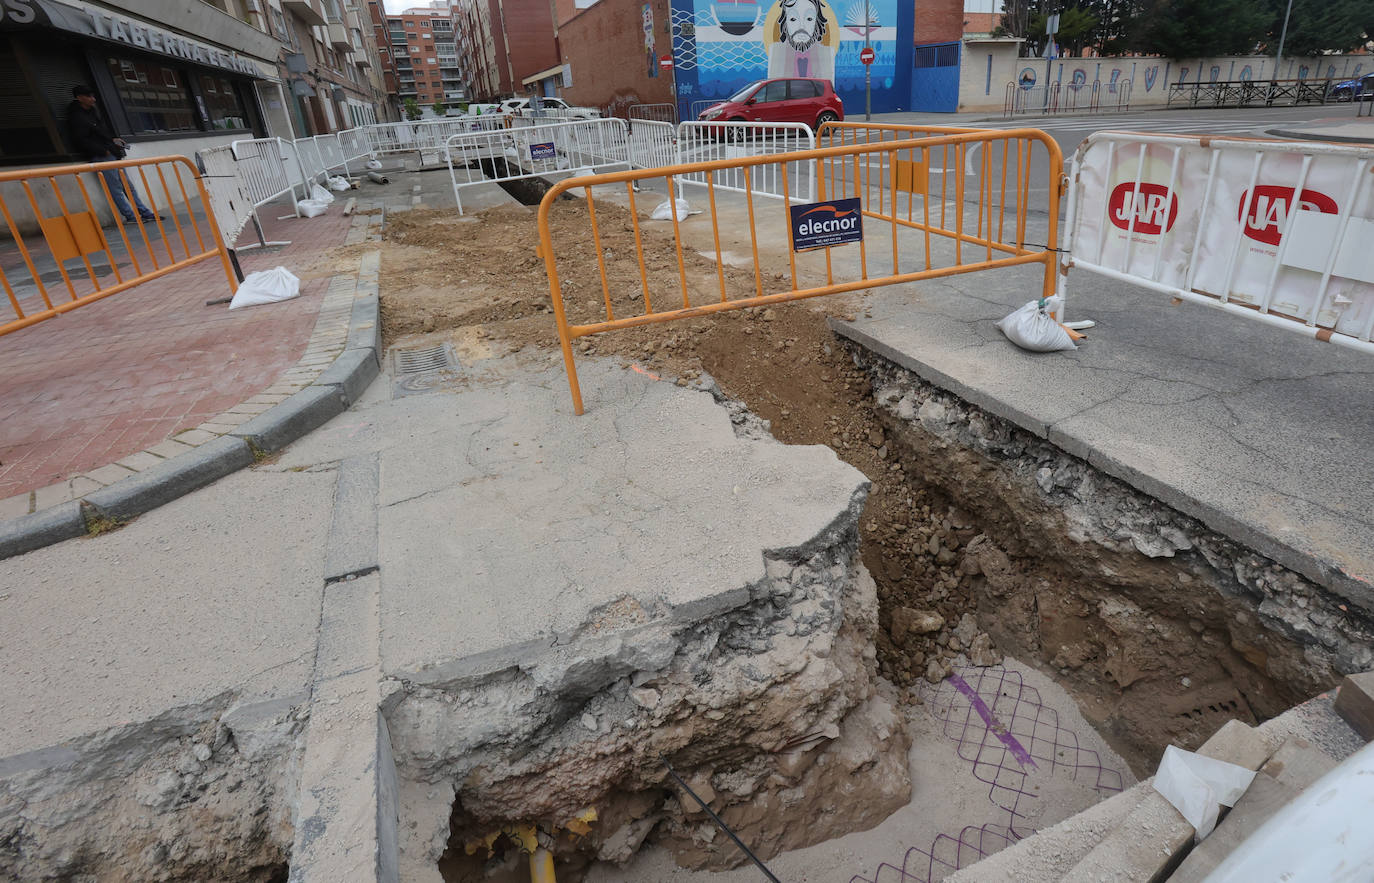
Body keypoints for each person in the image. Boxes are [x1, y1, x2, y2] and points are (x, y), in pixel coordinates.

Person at [65, 85, 158, 224]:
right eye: (89, 96)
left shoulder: (92, 112)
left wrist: (113, 140)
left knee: (127, 186)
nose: (93, 99)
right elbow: (81, 140)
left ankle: (144, 212)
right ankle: (131, 216)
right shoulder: (76, 117)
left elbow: (101, 131)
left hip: (110, 151)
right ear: (79, 98)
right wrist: (103, 150)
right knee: (116, 188)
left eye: (92, 96)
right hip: (102, 155)